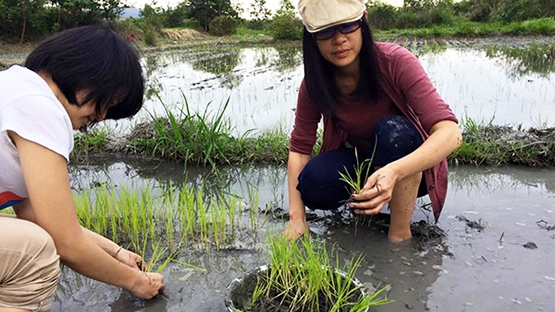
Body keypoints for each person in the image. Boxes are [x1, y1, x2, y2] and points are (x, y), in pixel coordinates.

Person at [0, 26, 165, 312]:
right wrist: (137, 282)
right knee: (33, 252)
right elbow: (65, 242)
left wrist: (116, 252)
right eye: (107, 101)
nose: (100, 115)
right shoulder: (39, 107)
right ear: (86, 72)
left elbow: (36, 216)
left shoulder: (15, 87)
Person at [284, 0, 463, 242]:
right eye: (325, 31)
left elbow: (451, 132)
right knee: (313, 182)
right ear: (311, 36)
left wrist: (394, 171)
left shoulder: (395, 61)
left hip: (408, 166)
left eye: (347, 26)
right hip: (362, 161)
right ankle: (367, 207)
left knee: (394, 133)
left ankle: (399, 234)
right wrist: (297, 219)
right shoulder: (315, 83)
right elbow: (300, 148)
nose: (338, 39)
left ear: (363, 21)